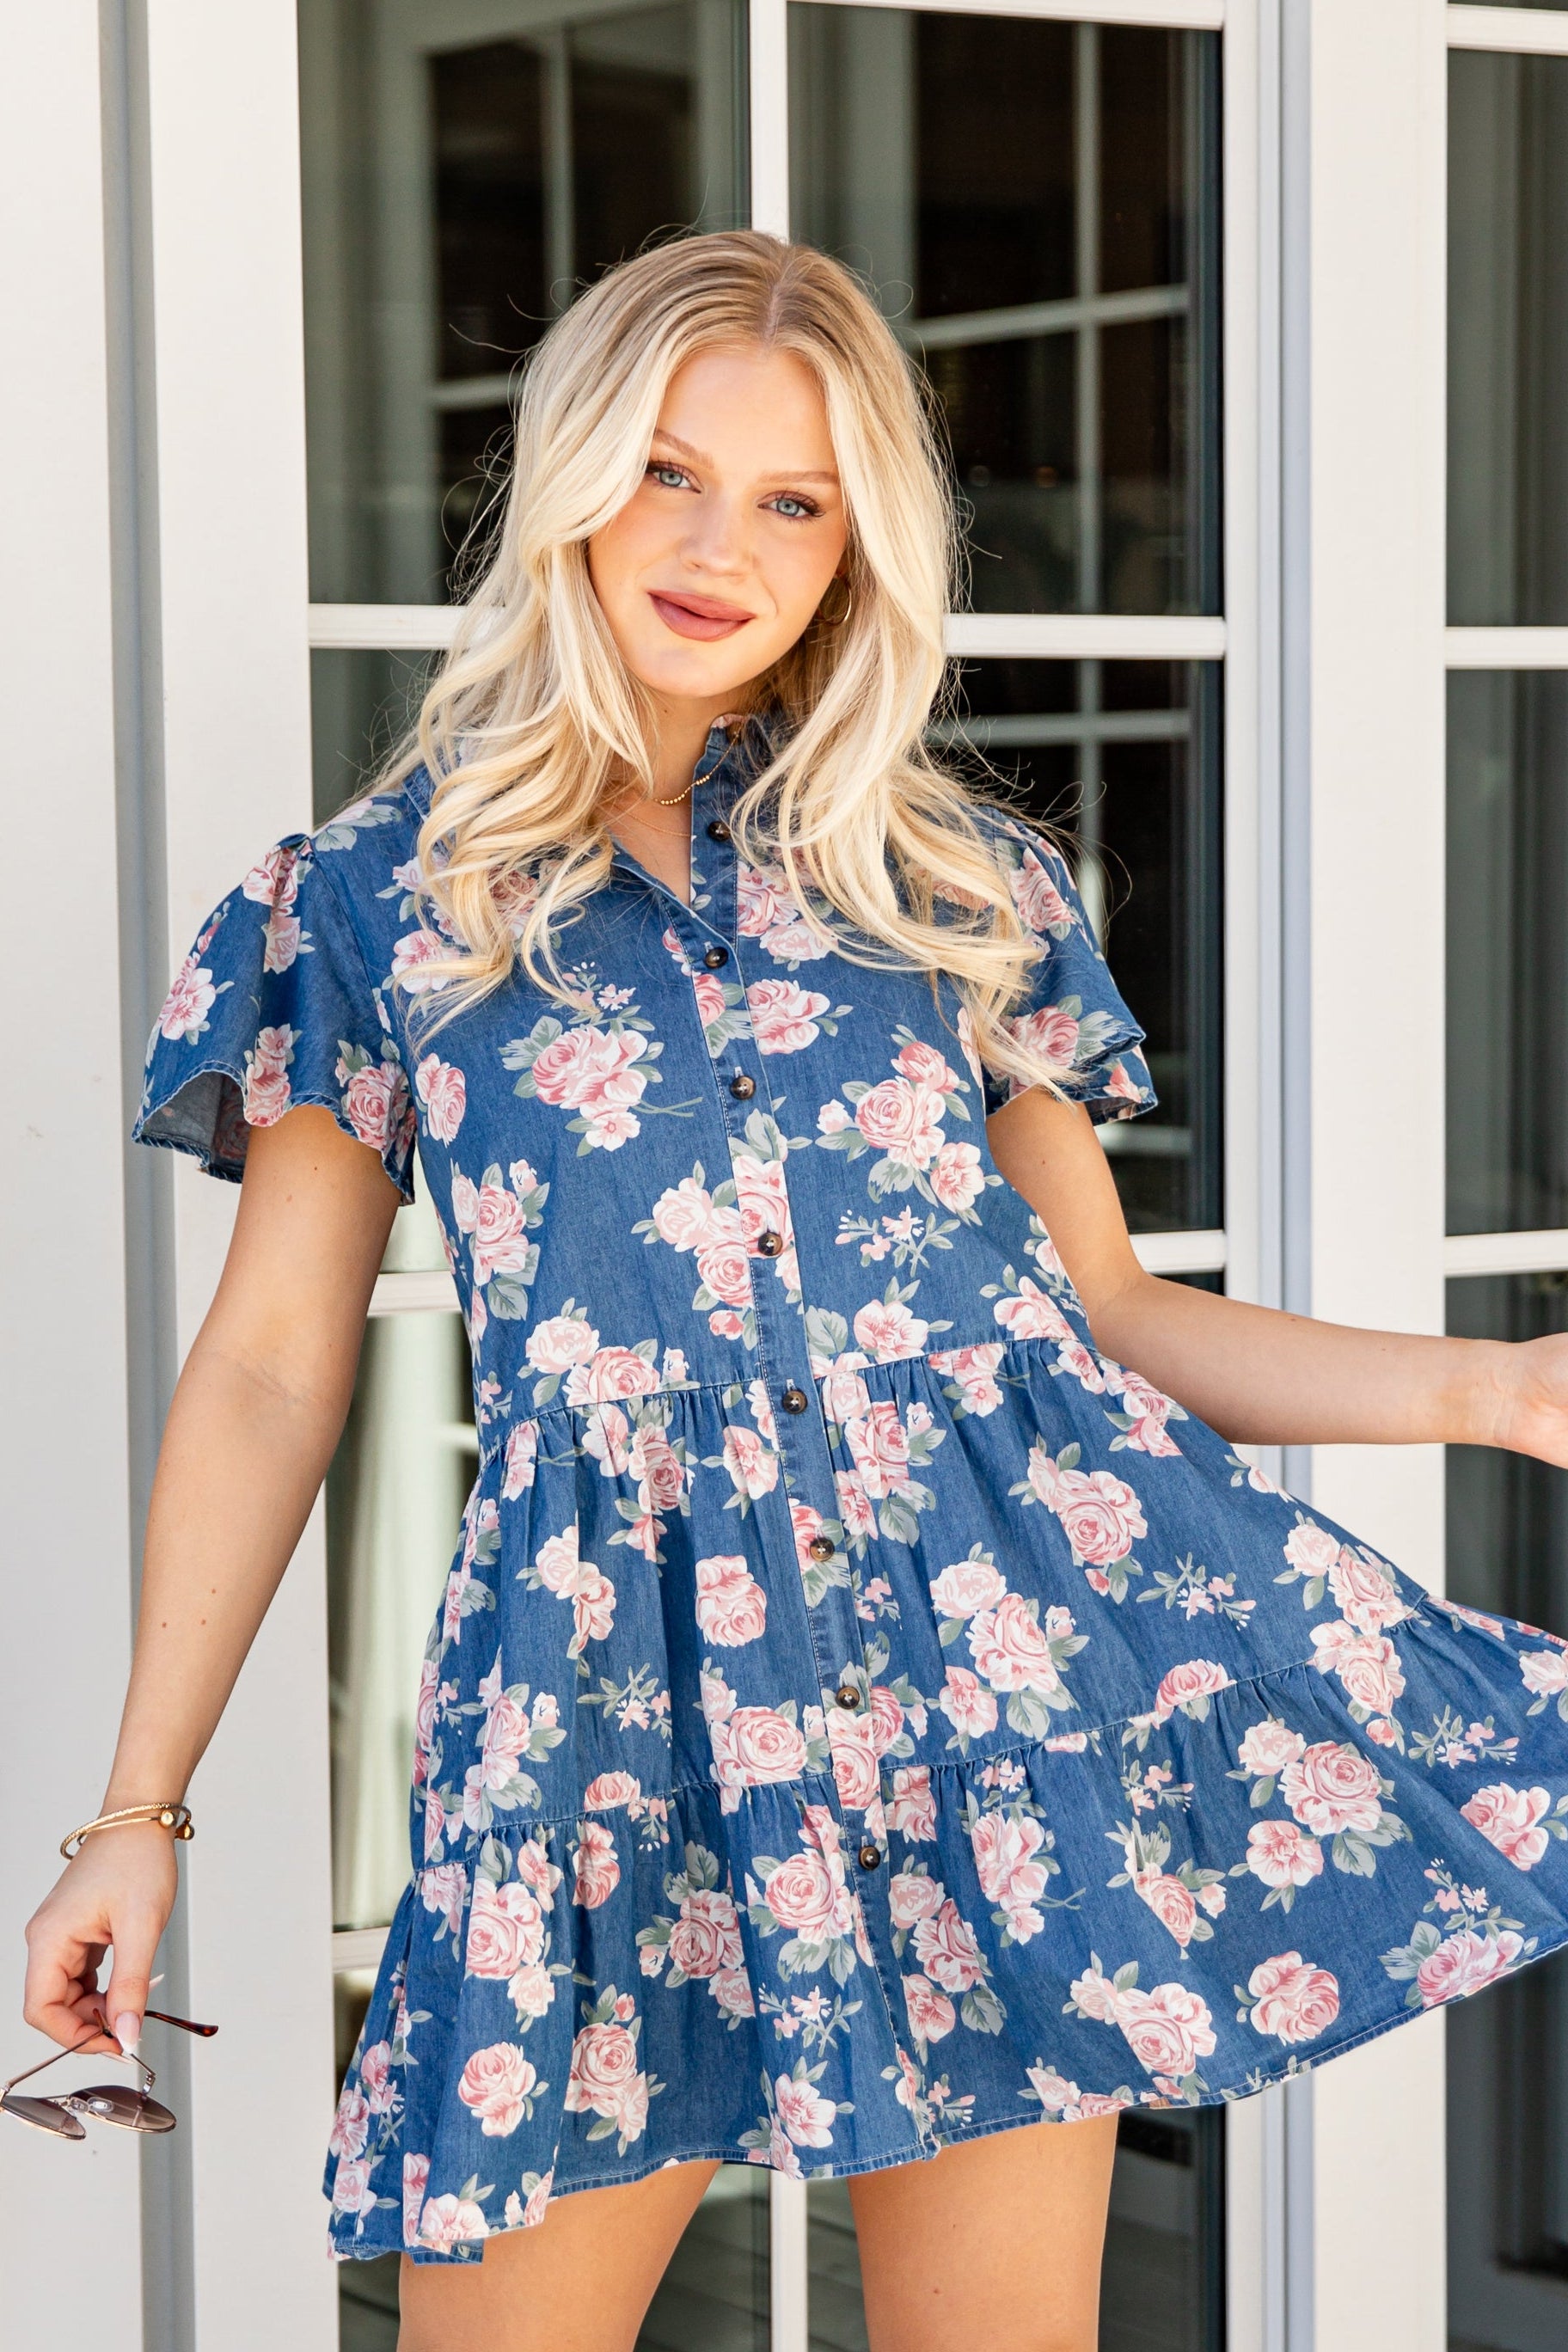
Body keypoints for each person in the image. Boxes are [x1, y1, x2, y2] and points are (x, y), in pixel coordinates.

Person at [21, 230, 1568, 2352]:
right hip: (596, 1730)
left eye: (792, 497)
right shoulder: (378, 904)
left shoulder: (958, 891)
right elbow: (276, 1370)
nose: (715, 543)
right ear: (571, 475)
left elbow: (1106, 1315)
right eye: (668, 470)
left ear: (858, 548)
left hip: (994, 1716)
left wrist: (1505, 1389)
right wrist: (136, 1807)